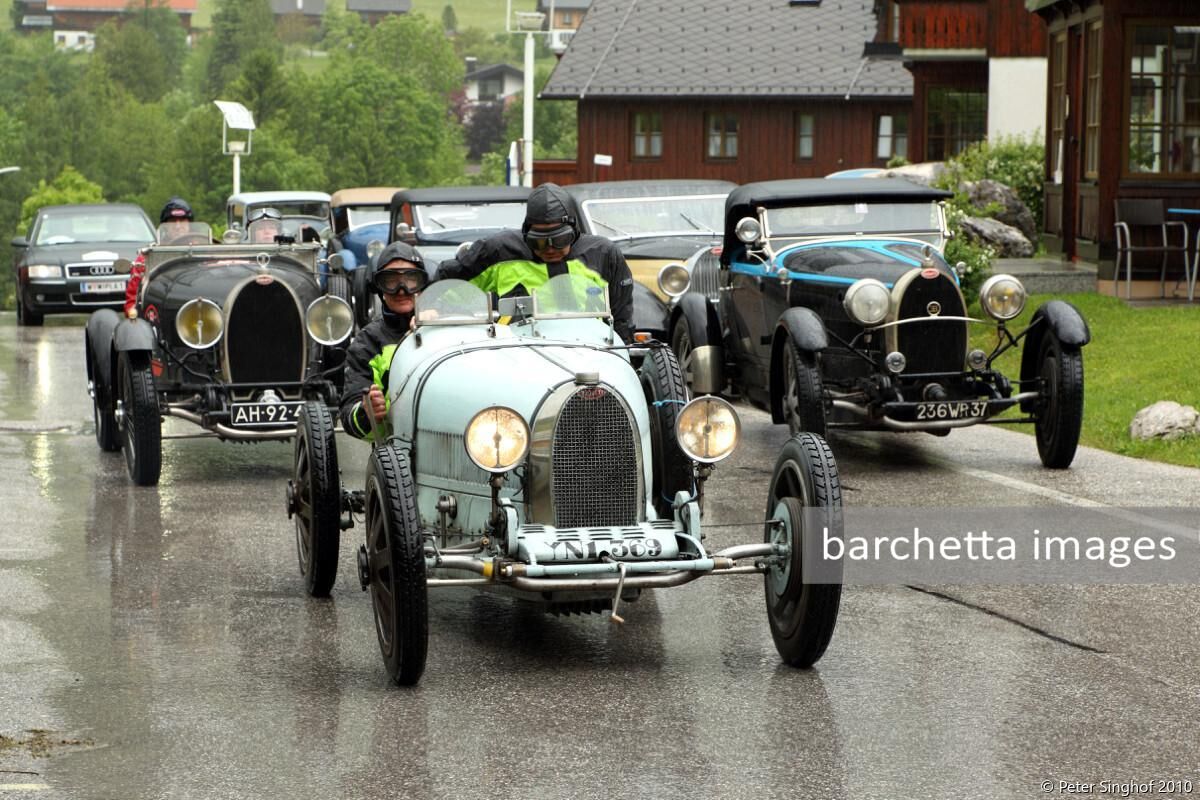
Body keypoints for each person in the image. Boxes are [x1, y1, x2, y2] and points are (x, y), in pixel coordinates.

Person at [436, 182, 634, 341]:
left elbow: (621, 315)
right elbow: (450, 278)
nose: (549, 249)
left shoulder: (603, 253)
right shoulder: (499, 251)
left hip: (589, 347)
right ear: (526, 234)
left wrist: (624, 354)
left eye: (559, 240)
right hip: (520, 352)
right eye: (538, 242)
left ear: (574, 231)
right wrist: (433, 309)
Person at [338, 241, 430, 440]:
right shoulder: (367, 342)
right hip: (396, 454)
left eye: (411, 279)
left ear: (422, 284)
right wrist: (366, 412)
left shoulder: (450, 326)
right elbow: (349, 416)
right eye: (391, 281)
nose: (402, 290)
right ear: (379, 288)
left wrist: (436, 325)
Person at [124, 197, 194, 317]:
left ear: (190, 224)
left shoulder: (203, 249)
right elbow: (132, 298)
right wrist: (133, 315)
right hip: (159, 312)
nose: (177, 226)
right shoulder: (149, 255)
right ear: (164, 225)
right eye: (172, 221)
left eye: (182, 220)